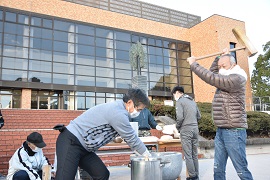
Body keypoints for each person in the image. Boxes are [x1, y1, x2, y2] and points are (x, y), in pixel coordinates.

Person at [55, 88, 152, 180]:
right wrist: (148, 155)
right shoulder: (118, 113)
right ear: (130, 102)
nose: (139, 113)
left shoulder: (119, 109)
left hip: (85, 148)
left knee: (101, 174)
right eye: (139, 109)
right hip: (71, 141)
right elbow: (132, 138)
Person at [187, 48, 253, 180]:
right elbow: (213, 73)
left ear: (233, 65)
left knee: (241, 169)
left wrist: (194, 65)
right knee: (218, 169)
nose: (221, 69)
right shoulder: (225, 75)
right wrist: (219, 57)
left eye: (224, 66)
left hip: (234, 130)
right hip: (221, 130)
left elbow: (211, 77)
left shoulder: (236, 78)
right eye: (220, 67)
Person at [171, 86, 201, 180]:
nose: (174, 97)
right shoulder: (192, 101)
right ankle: (196, 175)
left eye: (173, 95)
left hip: (186, 129)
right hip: (195, 129)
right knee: (194, 154)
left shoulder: (180, 101)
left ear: (177, 93)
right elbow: (199, 116)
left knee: (188, 154)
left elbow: (180, 118)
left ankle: (192, 176)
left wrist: (177, 127)